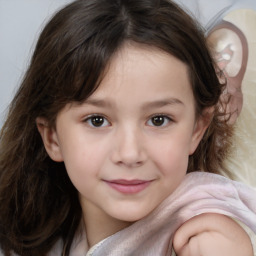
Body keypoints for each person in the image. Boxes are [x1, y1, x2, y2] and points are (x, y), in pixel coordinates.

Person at [0, 0, 255, 255]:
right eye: (97, 120)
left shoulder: (211, 244)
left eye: (159, 120)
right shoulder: (33, 236)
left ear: (197, 129)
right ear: (52, 137)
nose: (130, 154)